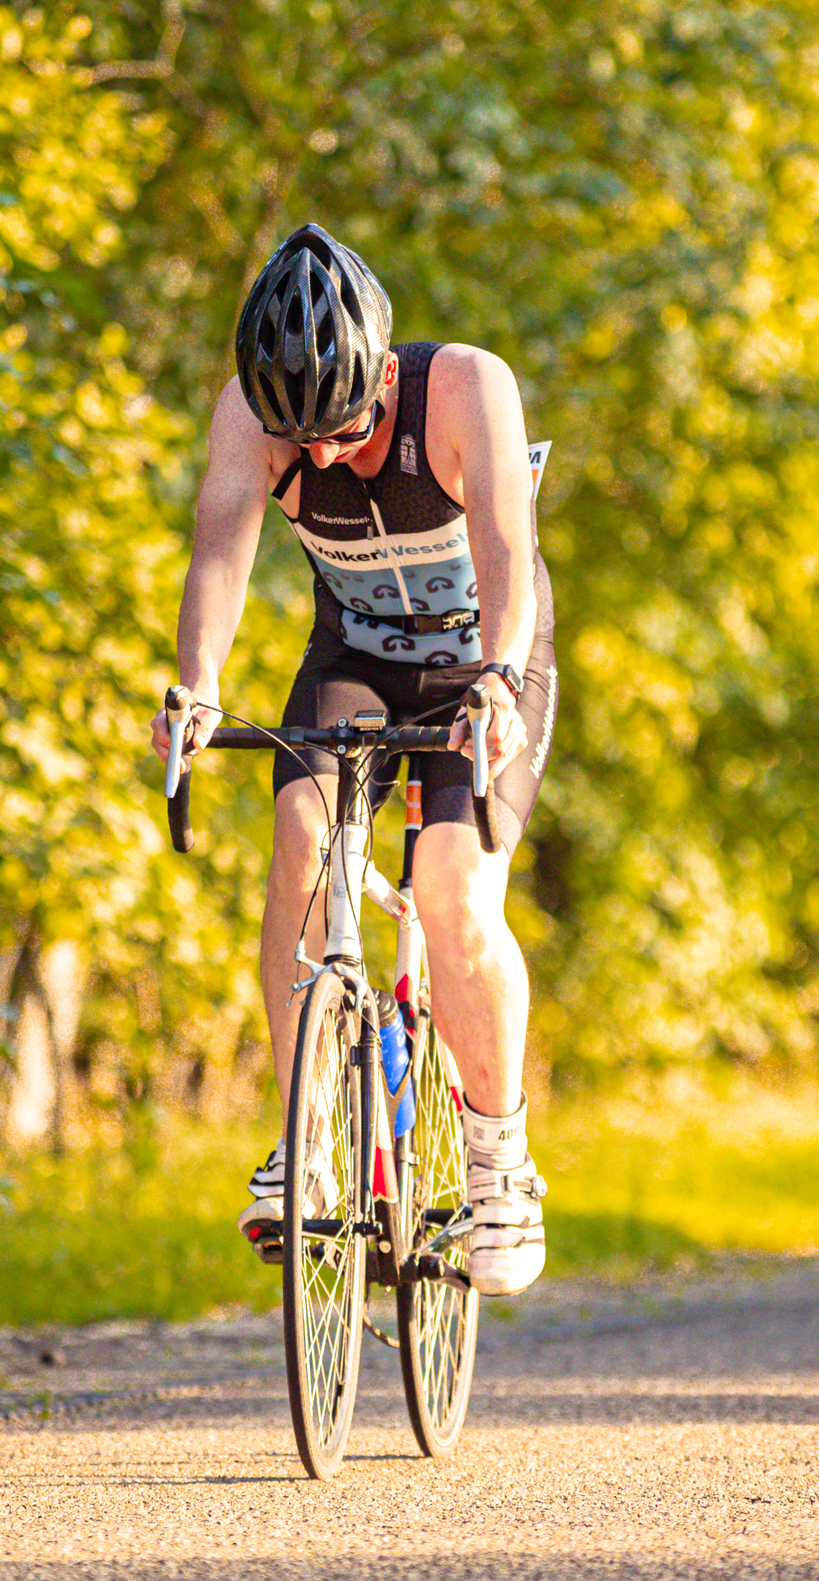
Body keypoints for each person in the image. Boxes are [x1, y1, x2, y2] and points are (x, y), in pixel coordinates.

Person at [150, 225, 556, 1293]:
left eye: (342, 429)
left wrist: (500, 677)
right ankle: (306, 1146)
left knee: (451, 891)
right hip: (358, 659)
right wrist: (195, 687)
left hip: (483, 658)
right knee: (294, 844)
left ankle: (497, 1159)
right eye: (301, 438)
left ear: (382, 374)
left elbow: (509, 551)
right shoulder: (254, 415)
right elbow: (222, 544)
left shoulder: (467, 388)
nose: (320, 458)